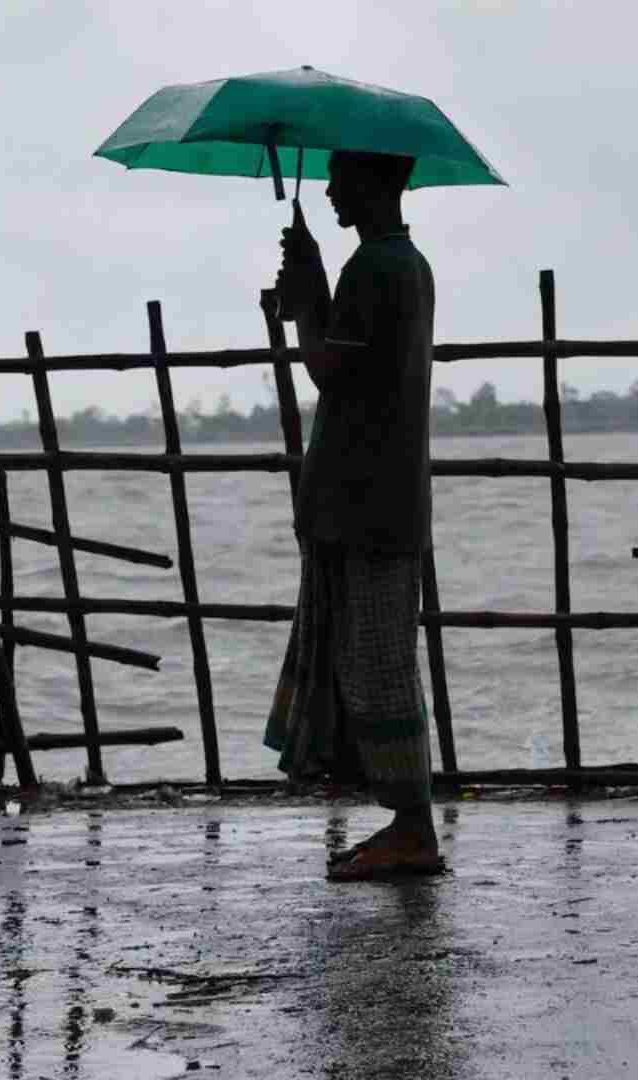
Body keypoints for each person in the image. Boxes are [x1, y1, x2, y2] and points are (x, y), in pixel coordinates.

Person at [264, 149, 442, 881]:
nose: (331, 188)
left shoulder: (375, 268)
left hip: (368, 499)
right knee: (372, 658)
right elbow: (353, 360)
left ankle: (412, 828)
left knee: (378, 667)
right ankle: (406, 822)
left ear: (373, 183)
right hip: (372, 494)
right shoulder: (402, 264)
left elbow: (328, 369)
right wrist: (311, 290)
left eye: (341, 177)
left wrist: (307, 300)